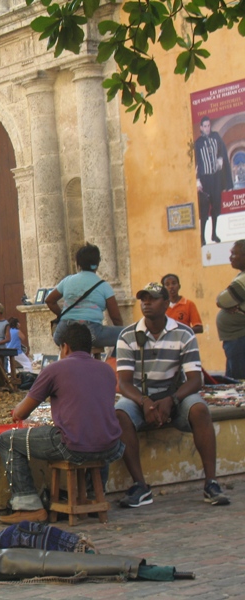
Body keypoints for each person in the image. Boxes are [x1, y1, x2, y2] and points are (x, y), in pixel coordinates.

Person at [115, 282, 230, 508]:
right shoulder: (128, 335)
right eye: (143, 298)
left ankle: (211, 483)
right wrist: (144, 401)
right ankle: (141, 486)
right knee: (120, 413)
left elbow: (195, 379)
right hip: (140, 398)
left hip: (174, 396)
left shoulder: (183, 333)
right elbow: (124, 383)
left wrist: (172, 400)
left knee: (199, 409)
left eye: (153, 298)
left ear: (167, 303)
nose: (146, 303)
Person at [0, 323, 124, 523]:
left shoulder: (55, 369)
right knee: (95, 433)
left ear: (65, 347)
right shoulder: (106, 370)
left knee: (7, 440)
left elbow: (21, 412)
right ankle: (91, 496)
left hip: (71, 445)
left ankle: (27, 505)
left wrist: (17, 411)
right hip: (110, 447)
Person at [46, 242, 124, 349]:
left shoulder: (67, 280)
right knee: (127, 335)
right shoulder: (104, 286)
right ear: (97, 263)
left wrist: (62, 314)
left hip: (64, 332)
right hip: (92, 334)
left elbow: (49, 300)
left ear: (78, 264)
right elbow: (115, 317)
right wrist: (121, 329)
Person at [195, 115, 232, 245]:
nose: (207, 128)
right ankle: (202, 237)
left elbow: (221, 149)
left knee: (216, 206)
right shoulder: (198, 143)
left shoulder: (216, 137)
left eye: (208, 126)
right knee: (204, 208)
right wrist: (197, 181)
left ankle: (214, 234)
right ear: (201, 127)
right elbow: (196, 162)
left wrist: (220, 158)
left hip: (216, 177)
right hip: (205, 178)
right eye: (204, 126)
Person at [216, 239, 245, 379]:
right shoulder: (241, 276)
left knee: (239, 381)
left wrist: (230, 303)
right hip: (236, 339)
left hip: (240, 339)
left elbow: (222, 300)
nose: (230, 257)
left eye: (234, 254)